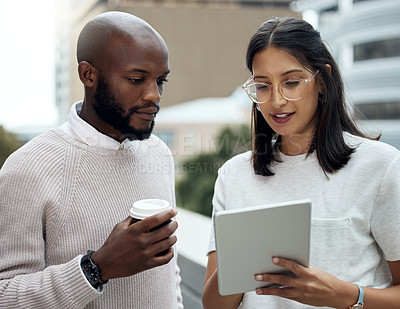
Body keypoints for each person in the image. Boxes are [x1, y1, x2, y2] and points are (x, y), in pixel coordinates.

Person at [202, 17, 400, 309]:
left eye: (292, 82)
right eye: (263, 86)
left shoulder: (380, 167)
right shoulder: (234, 175)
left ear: (322, 81)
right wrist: (243, 252)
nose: (277, 100)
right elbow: (215, 305)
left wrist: (347, 295)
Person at [0, 11, 183, 308]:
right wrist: (97, 268)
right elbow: (5, 295)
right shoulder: (27, 168)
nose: (153, 95)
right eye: (136, 79)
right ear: (88, 75)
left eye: (160, 81)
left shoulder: (159, 154)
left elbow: (169, 275)